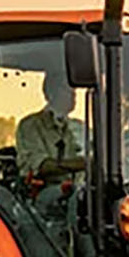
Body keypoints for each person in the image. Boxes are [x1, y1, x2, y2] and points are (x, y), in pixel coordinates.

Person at [15, 67, 84, 197]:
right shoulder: (31, 126)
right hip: (43, 199)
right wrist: (82, 164)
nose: (73, 94)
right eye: (66, 89)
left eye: (73, 89)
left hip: (78, 196)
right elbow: (40, 166)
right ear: (50, 93)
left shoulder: (80, 127)